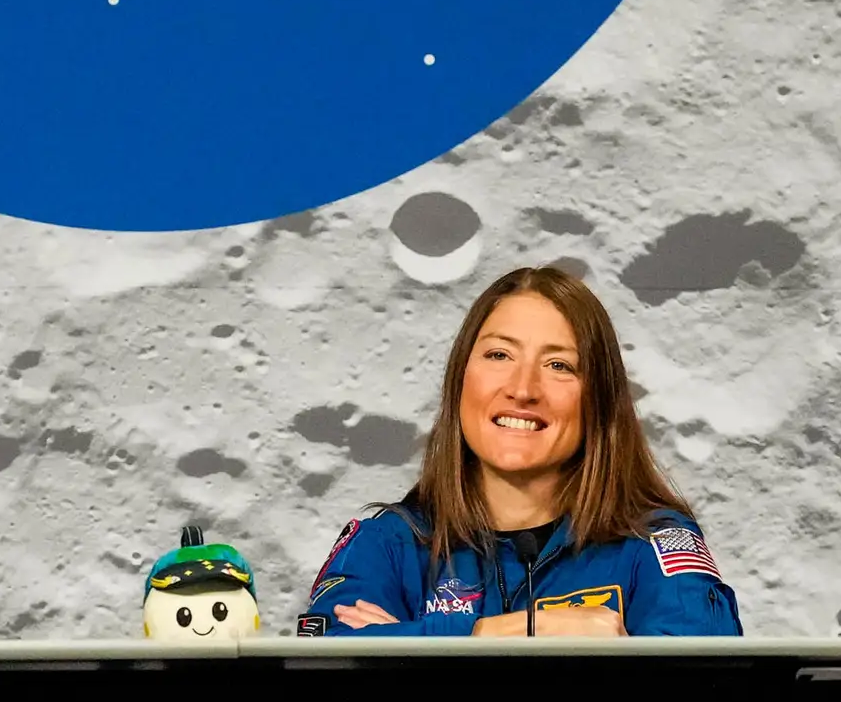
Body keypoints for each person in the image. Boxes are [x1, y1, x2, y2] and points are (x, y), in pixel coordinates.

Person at [297, 265, 739, 637]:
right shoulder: (389, 544)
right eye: (499, 355)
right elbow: (321, 670)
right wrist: (512, 631)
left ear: (598, 401)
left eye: (559, 365)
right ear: (460, 380)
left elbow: (709, 685)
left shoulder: (651, 543)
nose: (523, 389)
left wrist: (409, 647)